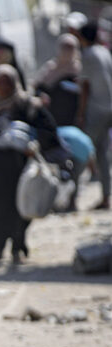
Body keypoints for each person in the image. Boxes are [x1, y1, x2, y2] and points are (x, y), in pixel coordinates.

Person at [0, 65, 62, 263]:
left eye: (7, 82)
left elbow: (49, 132)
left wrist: (34, 144)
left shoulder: (28, 106)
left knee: (21, 207)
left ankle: (18, 246)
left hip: (20, 169)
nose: (3, 86)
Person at [78, 23, 112, 210]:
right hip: (109, 107)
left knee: (81, 149)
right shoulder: (104, 51)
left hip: (96, 110)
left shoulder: (88, 55)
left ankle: (71, 195)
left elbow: (85, 87)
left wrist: (80, 114)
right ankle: (106, 197)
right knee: (103, 153)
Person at [33, 34, 82, 128]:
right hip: (54, 111)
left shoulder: (79, 69)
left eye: (70, 48)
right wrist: (42, 95)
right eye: (65, 47)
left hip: (73, 112)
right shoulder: (51, 68)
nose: (67, 51)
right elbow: (37, 86)